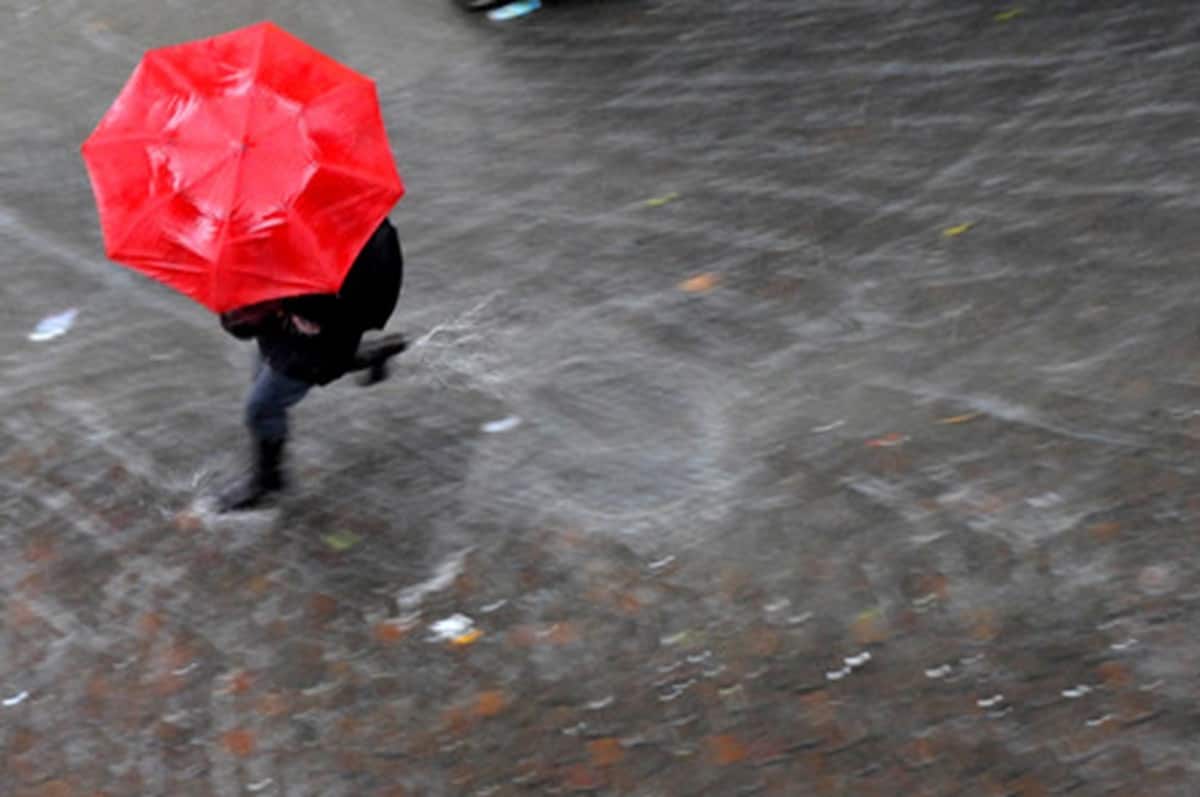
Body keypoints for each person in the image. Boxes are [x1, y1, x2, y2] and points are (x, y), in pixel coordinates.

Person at [215, 217, 407, 512]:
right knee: (264, 377)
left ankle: (267, 481)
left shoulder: (353, 248)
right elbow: (245, 324)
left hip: (317, 346)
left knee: (261, 407)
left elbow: (351, 313)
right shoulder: (272, 231)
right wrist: (241, 314)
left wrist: (291, 305)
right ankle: (372, 354)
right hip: (284, 339)